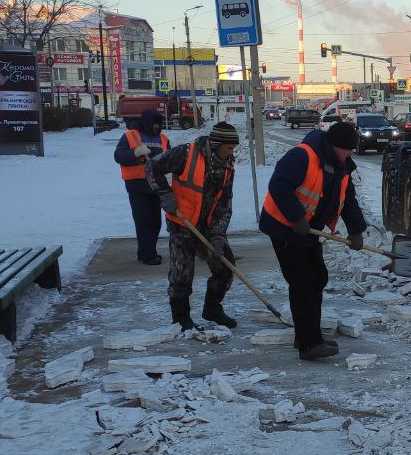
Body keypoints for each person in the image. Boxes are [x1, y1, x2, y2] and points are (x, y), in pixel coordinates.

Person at [259, 121, 367, 361]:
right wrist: (296, 217)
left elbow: (348, 200)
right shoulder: (302, 156)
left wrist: (356, 230)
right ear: (333, 145)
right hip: (284, 228)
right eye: (346, 149)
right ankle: (309, 344)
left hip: (308, 231)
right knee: (303, 282)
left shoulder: (341, 167)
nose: (349, 154)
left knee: (318, 277)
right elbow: (278, 186)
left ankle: (308, 335)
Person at [146, 121, 239, 331]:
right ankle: (180, 319)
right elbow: (152, 166)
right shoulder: (185, 154)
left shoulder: (227, 164)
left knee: (225, 265)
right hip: (182, 221)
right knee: (182, 273)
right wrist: (164, 193)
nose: (232, 152)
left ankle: (212, 308)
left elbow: (224, 201)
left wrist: (217, 234)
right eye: (229, 147)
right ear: (216, 144)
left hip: (207, 224)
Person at [112, 109, 169, 265]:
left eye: (159, 124)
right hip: (137, 185)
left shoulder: (163, 138)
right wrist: (135, 152)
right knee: (144, 221)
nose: (156, 127)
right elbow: (119, 156)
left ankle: (149, 251)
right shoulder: (130, 136)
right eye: (154, 124)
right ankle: (147, 254)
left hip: (157, 185)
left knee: (155, 221)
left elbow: (169, 158)